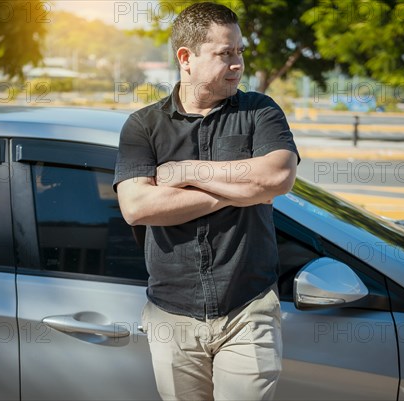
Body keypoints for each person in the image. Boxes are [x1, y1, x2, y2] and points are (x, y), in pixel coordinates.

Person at [113, 2, 299, 400]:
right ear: (186, 57)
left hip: (248, 309)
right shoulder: (143, 125)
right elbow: (137, 207)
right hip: (171, 312)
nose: (238, 64)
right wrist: (244, 191)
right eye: (225, 53)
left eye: (240, 52)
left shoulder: (259, 112)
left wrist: (186, 173)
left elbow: (277, 177)